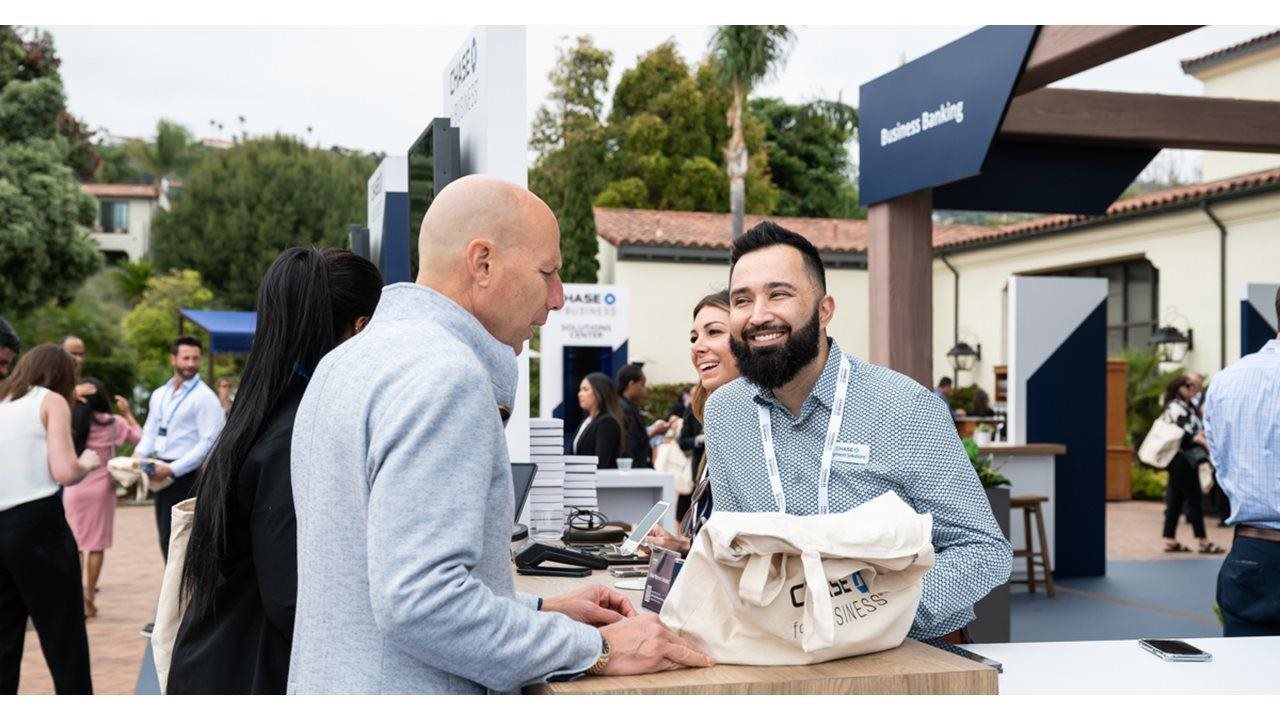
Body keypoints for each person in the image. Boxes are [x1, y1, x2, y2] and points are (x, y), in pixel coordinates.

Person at [288, 175, 711, 694]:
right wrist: (597, 648)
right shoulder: (445, 375)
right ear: (482, 263)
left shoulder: (344, 364)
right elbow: (422, 604)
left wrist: (540, 610)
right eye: (547, 272)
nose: (557, 297)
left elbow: (368, 578)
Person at [700, 221, 1011, 641]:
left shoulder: (904, 406)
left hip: (905, 651)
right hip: (778, 649)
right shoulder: (725, 412)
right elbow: (731, 546)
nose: (758, 315)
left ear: (824, 310)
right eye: (742, 300)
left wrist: (871, 613)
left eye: (778, 294)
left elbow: (983, 548)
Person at [167, 247, 383, 694]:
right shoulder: (297, 432)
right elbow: (292, 597)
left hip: (219, 663)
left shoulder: (268, 411)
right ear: (359, 328)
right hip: (250, 673)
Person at [0, 344, 96, 694]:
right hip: (39, 525)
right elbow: (65, 471)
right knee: (64, 639)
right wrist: (88, 462)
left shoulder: (3, 403)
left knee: (4, 642)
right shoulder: (50, 401)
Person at [1204, 289, 1280, 636]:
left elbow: (1221, 463)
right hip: (1252, 554)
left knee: (1247, 666)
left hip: (1251, 554)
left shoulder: (1226, 380)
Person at [649, 289, 740, 554]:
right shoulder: (716, 415)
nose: (697, 347)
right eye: (694, 337)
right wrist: (682, 545)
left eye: (714, 332)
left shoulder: (765, 425)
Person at [134, 336, 226, 565]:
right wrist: (137, 458)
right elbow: (150, 432)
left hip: (187, 475)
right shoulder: (160, 394)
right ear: (173, 359)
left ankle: (186, 587)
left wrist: (173, 469)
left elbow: (209, 443)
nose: (191, 364)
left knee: (184, 540)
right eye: (186, 358)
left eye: (195, 358)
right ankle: (173, 586)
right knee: (166, 537)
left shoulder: (205, 398)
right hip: (160, 470)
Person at [64, 377, 142, 618]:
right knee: (96, 545)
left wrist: (70, 394)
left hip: (74, 486)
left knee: (75, 545)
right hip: (101, 489)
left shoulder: (70, 420)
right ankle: (89, 596)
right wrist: (127, 413)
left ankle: (75, 597)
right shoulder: (114, 423)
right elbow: (140, 438)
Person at [1158, 375, 1223, 554]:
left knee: (1176, 499)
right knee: (1194, 499)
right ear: (1178, 388)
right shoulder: (1175, 406)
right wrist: (1205, 443)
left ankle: (1169, 540)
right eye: (1188, 385)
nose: (1192, 388)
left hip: (1183, 459)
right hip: (1183, 459)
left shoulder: (1187, 406)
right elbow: (1187, 433)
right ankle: (1203, 541)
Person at [615, 363, 668, 469]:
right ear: (631, 384)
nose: (644, 389)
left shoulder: (625, 405)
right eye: (642, 384)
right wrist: (654, 431)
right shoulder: (624, 409)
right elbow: (632, 442)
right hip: (632, 468)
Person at [572, 372, 626, 470]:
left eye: (585, 389)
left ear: (600, 392)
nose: (579, 394)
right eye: (580, 390)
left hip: (596, 478)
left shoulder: (607, 423)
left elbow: (600, 462)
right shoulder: (587, 421)